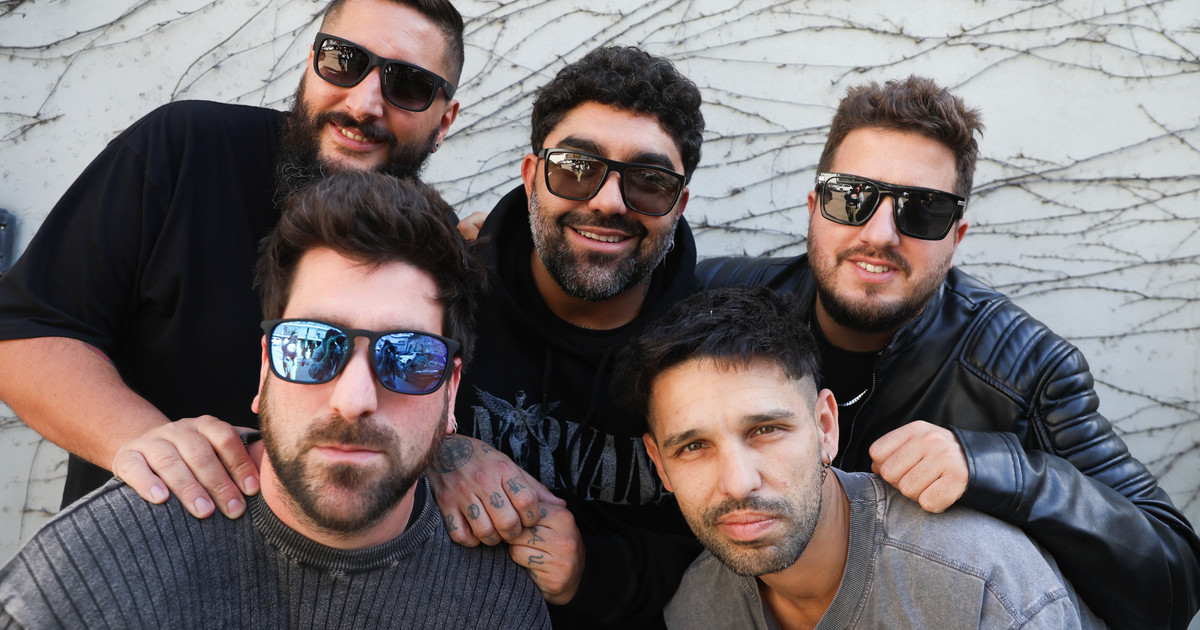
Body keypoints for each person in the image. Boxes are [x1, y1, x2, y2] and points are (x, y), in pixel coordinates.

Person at [695, 75, 1200, 629]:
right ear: (816, 207)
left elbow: (1173, 579)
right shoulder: (714, 305)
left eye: (923, 210)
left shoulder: (1021, 367)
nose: (880, 234)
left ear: (956, 238)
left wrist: (996, 469)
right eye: (852, 197)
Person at [0, 171, 550, 629]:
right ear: (265, 369)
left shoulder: (499, 609)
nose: (354, 399)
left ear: (451, 391)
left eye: (408, 357)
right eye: (311, 346)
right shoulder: (88, 581)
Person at [0, 0, 463, 518]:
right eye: (343, 61)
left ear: (444, 122)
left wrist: (459, 456)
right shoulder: (185, 149)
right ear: (311, 63)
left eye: (410, 86)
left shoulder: (437, 248)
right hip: (140, 549)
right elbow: (26, 333)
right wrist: (156, 446)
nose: (364, 104)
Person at [615, 286, 1104, 629]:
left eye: (766, 430)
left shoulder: (982, 583)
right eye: (693, 447)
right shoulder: (698, 608)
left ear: (825, 427)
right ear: (660, 464)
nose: (739, 483)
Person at [426, 46, 705, 628]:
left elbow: (727, 551)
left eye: (649, 182)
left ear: (678, 205)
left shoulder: (712, 354)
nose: (607, 202)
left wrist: (593, 571)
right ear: (532, 177)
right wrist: (433, 452)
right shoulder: (438, 296)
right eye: (576, 167)